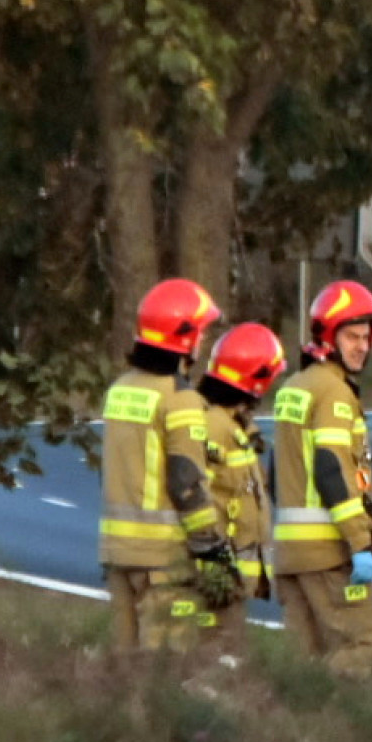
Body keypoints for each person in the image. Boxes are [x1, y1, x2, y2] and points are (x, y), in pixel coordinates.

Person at [271, 280, 372, 675]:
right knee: (365, 645)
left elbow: (279, 470)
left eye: (366, 336)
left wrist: (370, 512)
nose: (362, 346)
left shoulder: (294, 387)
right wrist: (359, 541)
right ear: (328, 335)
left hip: (291, 554)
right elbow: (329, 468)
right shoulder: (334, 392)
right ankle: (351, 730)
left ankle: (297, 731)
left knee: (304, 663)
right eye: (351, 336)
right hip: (329, 553)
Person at [97, 278, 228, 651]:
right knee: (164, 668)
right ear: (184, 339)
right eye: (200, 332)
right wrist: (212, 548)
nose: (203, 341)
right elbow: (185, 480)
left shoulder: (120, 390)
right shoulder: (179, 398)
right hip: (163, 560)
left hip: (117, 552)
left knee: (124, 667)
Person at [196, 322, 288, 649]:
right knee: (218, 659)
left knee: (226, 654)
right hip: (214, 573)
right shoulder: (213, 427)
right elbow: (195, 494)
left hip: (229, 576)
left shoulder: (234, 427)